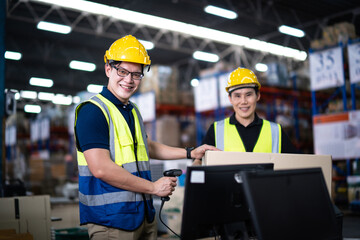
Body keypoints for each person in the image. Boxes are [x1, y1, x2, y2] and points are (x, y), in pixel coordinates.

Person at [74, 35, 218, 240]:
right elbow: (101, 168)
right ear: (108, 69)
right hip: (112, 222)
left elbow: (146, 146)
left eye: (136, 74)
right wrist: (153, 187)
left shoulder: (132, 110)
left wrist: (190, 152)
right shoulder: (93, 111)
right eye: (122, 71)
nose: (129, 80)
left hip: (143, 217)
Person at [194, 67, 298, 165]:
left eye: (248, 95)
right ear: (230, 99)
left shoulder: (276, 131)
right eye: (237, 96)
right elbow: (199, 161)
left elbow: (295, 163)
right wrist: (196, 164)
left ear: (257, 96)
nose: (243, 101)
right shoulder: (216, 130)